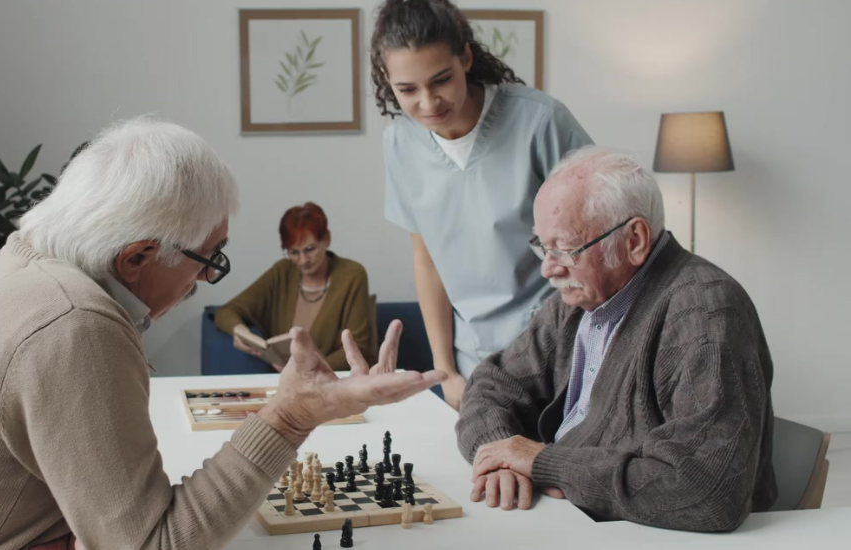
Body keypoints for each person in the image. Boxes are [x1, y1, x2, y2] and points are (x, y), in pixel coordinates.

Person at [0, 118, 445, 550]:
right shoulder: (73, 323)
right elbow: (156, 545)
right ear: (136, 258)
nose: (207, 278)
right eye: (210, 257)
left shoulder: (28, 265)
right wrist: (289, 417)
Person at [455, 147, 777, 532]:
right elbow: (492, 383)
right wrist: (500, 455)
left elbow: (705, 491)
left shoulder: (706, 311)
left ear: (635, 239)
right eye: (543, 245)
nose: (547, 267)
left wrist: (544, 463)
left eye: (565, 248)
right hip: (566, 518)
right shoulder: (576, 300)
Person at [372, 0, 594, 408]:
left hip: (564, 347)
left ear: (466, 58)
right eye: (407, 89)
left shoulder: (540, 123)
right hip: (475, 362)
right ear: (389, 81)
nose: (428, 102)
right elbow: (427, 261)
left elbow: (597, 238)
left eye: (441, 80)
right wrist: (446, 372)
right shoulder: (400, 144)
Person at [215, 202, 376, 371]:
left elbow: (358, 346)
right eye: (293, 252)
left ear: (326, 239)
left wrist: (309, 371)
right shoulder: (283, 271)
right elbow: (226, 311)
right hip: (285, 381)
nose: (303, 260)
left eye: (310, 249)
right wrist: (241, 333)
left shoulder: (352, 275)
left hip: (332, 380)